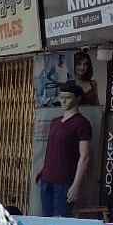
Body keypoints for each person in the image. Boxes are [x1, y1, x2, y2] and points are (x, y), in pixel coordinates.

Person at [37, 81, 92, 217]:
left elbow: (84, 156)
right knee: (46, 221)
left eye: (67, 97)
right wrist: (43, 171)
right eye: (61, 97)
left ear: (77, 98)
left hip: (64, 181)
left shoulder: (82, 123)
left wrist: (76, 184)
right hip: (46, 178)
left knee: (61, 222)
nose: (63, 100)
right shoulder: (55, 122)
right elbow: (52, 149)